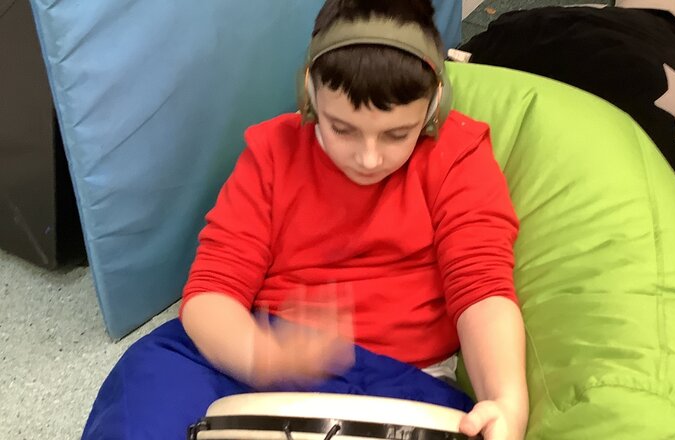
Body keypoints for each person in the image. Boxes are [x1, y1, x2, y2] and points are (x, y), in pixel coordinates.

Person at [82, 1, 529, 439]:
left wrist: (505, 401)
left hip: (400, 377)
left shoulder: (458, 155)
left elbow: (482, 292)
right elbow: (211, 293)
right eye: (342, 129)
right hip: (254, 349)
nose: (368, 158)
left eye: (397, 134)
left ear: (433, 108)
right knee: (146, 381)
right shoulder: (272, 152)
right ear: (310, 96)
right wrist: (260, 355)